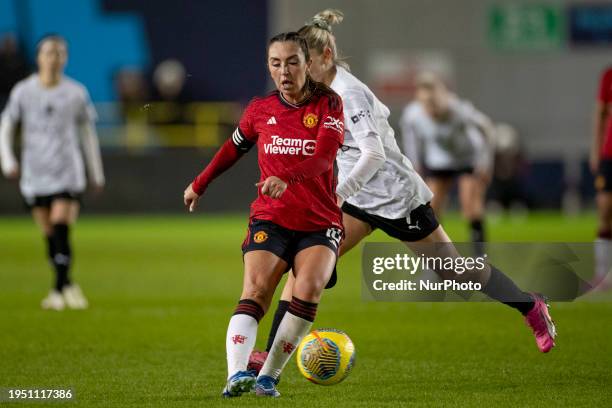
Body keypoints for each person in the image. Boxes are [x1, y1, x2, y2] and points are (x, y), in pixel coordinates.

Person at [251, 10, 556, 371]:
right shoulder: (317, 93)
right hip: (354, 201)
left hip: (394, 198)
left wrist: (338, 193)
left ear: (327, 57)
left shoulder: (351, 94)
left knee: (456, 271)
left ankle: (530, 306)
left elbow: (374, 154)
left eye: (305, 62)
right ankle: (267, 359)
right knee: (303, 272)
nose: (298, 71)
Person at [183, 32, 345, 398]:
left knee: (309, 290)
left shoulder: (329, 104)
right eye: (275, 63)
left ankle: (268, 378)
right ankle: (236, 374)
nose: (284, 71)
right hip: (271, 218)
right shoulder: (260, 109)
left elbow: (323, 159)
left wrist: (286, 177)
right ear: (268, 68)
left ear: (307, 64)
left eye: (291, 62)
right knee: (256, 291)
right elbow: (232, 148)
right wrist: (199, 183)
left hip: (320, 221)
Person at [0, 35, 105, 310]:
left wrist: (96, 172)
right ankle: (67, 283)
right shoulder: (23, 91)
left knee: (60, 224)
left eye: (59, 53)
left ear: (65, 58)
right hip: (35, 174)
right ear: (39, 57)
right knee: (49, 234)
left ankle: (57, 291)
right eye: (49, 52)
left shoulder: (76, 92)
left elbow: (87, 134)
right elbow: (7, 126)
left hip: (67, 171)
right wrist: (7, 160)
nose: (54, 58)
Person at [400, 73, 494, 256]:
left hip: (468, 158)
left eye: (434, 103)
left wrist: (485, 163)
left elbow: (487, 129)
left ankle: (479, 257)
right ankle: (438, 258)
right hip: (440, 160)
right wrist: (415, 166)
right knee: (431, 210)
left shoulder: (460, 110)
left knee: (470, 207)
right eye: (426, 104)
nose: (431, 109)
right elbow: (411, 140)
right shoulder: (413, 115)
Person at [590, 66, 612, 291]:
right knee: (604, 209)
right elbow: (600, 114)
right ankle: (602, 274)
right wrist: (595, 150)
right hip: (609, 154)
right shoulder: (608, 76)